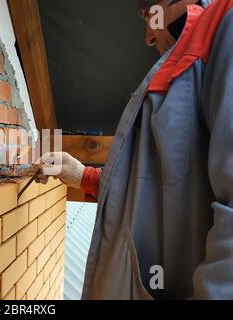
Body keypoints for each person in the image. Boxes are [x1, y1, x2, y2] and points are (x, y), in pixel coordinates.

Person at [37, 0, 233, 299]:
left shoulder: (225, 24)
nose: (148, 36)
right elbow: (155, 193)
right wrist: (81, 175)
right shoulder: (181, 57)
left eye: (148, 13)